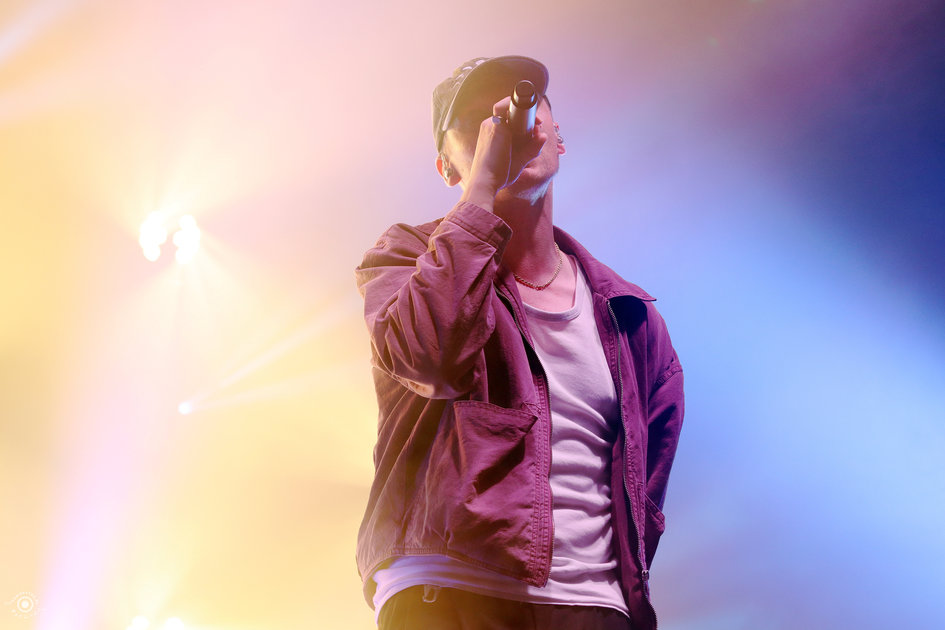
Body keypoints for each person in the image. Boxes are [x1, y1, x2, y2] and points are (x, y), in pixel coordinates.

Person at [354, 56, 684, 630]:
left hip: (595, 609)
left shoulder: (628, 313)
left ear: (558, 137)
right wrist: (484, 186)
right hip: (447, 590)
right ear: (447, 166)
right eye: (479, 121)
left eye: (524, 110)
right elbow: (429, 356)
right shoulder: (407, 257)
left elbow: (646, 477)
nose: (507, 125)